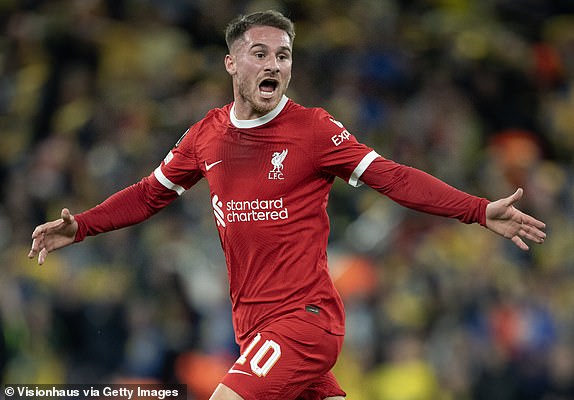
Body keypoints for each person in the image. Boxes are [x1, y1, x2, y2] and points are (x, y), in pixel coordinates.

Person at [28, 10, 546, 400]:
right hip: (251, 327)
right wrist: (82, 228)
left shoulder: (314, 130)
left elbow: (393, 177)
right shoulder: (205, 136)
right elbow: (148, 194)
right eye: (261, 54)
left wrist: (478, 209)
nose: (274, 65)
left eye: (283, 55)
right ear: (231, 62)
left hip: (304, 319)